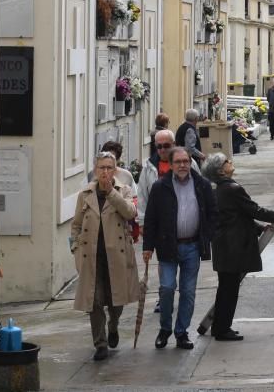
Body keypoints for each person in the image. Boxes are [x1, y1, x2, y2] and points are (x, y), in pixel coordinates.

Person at [203, 154, 274, 341]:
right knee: (230, 290)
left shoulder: (219, 190)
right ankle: (223, 328)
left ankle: (219, 326)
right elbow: (253, 210)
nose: (230, 162)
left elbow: (236, 216)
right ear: (220, 170)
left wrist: (258, 227)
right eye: (227, 161)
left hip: (224, 246)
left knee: (225, 288)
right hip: (233, 246)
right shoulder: (233, 189)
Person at [142, 147, 217, 350]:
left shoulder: (202, 185)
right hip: (167, 246)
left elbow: (212, 213)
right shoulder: (160, 187)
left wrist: (207, 236)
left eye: (185, 161)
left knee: (188, 292)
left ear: (190, 162)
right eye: (178, 162)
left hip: (192, 246)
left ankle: (181, 332)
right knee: (166, 289)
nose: (182, 165)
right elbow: (150, 219)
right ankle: (165, 328)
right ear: (171, 164)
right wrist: (147, 246)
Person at [71, 151, 142, 361]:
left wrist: (111, 192)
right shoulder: (85, 194)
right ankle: (100, 344)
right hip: (92, 258)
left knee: (116, 301)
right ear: (95, 169)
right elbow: (75, 225)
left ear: (115, 169)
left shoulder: (124, 190)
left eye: (109, 167)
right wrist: (75, 247)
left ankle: (114, 325)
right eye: (101, 167)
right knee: (94, 302)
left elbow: (130, 213)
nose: (105, 172)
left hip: (117, 257)